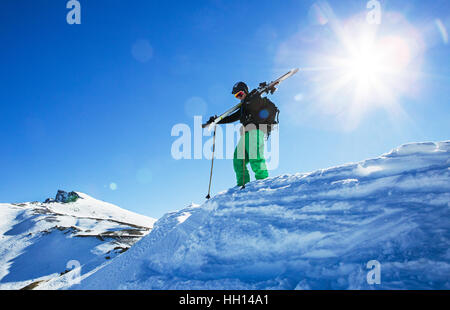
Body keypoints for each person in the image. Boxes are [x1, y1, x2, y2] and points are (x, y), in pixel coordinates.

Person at [204, 81, 277, 187]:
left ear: (246, 91)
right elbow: (232, 117)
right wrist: (217, 121)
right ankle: (242, 185)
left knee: (255, 157)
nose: (239, 97)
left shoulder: (254, 99)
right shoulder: (244, 106)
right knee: (238, 160)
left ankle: (263, 182)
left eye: (240, 94)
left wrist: (265, 88)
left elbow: (260, 102)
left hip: (256, 130)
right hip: (245, 134)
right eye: (236, 96)